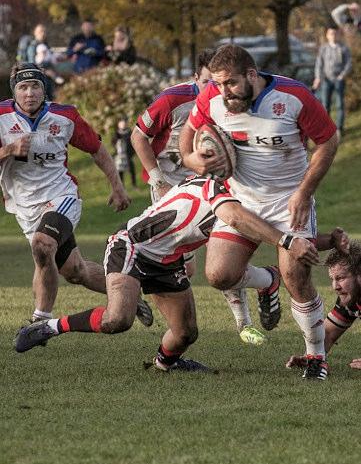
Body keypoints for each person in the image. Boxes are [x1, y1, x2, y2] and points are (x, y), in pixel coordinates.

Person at [14, 174, 319, 374]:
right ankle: (50, 327)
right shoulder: (216, 190)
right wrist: (287, 242)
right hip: (131, 247)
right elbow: (234, 217)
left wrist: (326, 240)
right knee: (117, 319)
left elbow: (256, 233)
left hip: (168, 262)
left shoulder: (239, 197)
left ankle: (165, 364)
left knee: (186, 333)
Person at [179, 44, 339, 380]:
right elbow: (187, 138)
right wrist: (193, 160)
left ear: (252, 74)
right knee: (219, 275)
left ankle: (316, 357)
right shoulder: (211, 98)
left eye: (232, 83)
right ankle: (269, 280)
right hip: (242, 200)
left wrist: (304, 192)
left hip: (289, 201)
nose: (224, 91)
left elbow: (328, 140)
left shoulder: (293, 96)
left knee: (297, 278)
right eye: (219, 84)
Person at [131, 49, 269, 346]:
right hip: (173, 191)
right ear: (196, 78)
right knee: (182, 263)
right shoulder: (173, 99)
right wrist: (158, 180)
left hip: (212, 185)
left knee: (226, 251)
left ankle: (244, 322)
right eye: (208, 82)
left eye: (219, 84)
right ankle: (134, 299)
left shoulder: (232, 102)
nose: (215, 90)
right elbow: (137, 136)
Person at [0, 63, 152, 330]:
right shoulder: (1, 116)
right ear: (15, 93)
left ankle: (40, 321)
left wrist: (117, 187)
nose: (29, 93)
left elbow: (97, 148)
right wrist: (9, 149)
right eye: (23, 88)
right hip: (24, 205)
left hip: (61, 195)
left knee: (42, 244)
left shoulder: (65, 116)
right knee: (75, 271)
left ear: (44, 88)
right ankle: (129, 292)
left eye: (35, 86)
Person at [286, 238, 361, 371]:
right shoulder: (350, 299)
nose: (335, 287)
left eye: (341, 278)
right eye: (332, 279)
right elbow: (328, 333)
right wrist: (313, 356)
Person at [312, 26, 352, 139]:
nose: (333, 36)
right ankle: (326, 129)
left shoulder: (343, 48)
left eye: (335, 33)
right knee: (325, 105)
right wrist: (318, 78)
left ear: (338, 34)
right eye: (331, 34)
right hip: (326, 80)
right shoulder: (324, 48)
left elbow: (348, 63)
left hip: (339, 79)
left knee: (340, 104)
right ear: (327, 35)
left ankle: (339, 128)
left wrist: (342, 75)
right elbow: (319, 64)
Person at [27, 24, 65, 100]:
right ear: (35, 33)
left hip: (49, 80)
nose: (43, 33)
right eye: (40, 31)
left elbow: (51, 60)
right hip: (39, 81)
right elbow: (32, 65)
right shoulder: (33, 46)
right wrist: (47, 72)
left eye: (44, 31)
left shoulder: (46, 45)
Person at [111, 118, 137, 189]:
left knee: (132, 170)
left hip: (128, 154)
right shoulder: (116, 133)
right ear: (118, 124)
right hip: (119, 156)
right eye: (121, 123)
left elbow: (133, 143)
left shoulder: (129, 132)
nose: (123, 124)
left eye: (124, 122)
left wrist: (132, 153)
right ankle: (122, 186)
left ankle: (134, 185)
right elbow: (113, 142)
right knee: (120, 171)